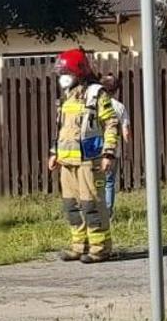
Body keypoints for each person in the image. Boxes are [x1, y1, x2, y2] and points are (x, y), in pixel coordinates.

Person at [44, 49, 121, 263]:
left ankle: (100, 248)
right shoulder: (67, 97)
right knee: (72, 206)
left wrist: (108, 153)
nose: (62, 77)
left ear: (78, 71)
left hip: (89, 160)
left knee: (92, 205)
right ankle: (79, 245)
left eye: (66, 72)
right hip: (67, 162)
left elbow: (111, 124)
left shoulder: (97, 93)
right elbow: (62, 129)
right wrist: (54, 153)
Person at [97, 74, 132, 212]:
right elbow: (126, 132)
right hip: (112, 151)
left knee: (94, 183)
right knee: (109, 182)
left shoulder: (95, 104)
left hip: (94, 149)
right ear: (116, 90)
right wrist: (127, 148)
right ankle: (108, 213)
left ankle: (94, 213)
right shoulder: (119, 107)